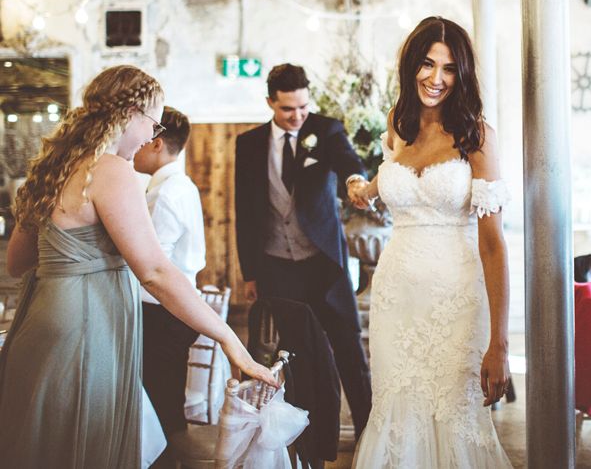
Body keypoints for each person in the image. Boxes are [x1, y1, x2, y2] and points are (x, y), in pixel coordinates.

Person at [0, 65, 274, 469]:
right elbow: (156, 272)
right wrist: (230, 339)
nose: (152, 136)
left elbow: (17, 262)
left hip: (40, 322)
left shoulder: (51, 168)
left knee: (46, 443)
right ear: (129, 112)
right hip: (88, 327)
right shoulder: (111, 171)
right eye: (153, 124)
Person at [348, 16, 513, 468]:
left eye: (448, 68)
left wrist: (499, 342)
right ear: (410, 66)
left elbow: (494, 245)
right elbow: (387, 185)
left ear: (462, 75)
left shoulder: (476, 136)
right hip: (396, 297)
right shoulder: (396, 127)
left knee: (454, 415)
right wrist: (360, 188)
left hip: (455, 302)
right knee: (396, 411)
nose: (435, 78)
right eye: (426, 64)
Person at [234, 63, 372, 441]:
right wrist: (250, 272)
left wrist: (357, 181)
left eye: (302, 108)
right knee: (295, 355)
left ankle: (367, 429)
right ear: (270, 103)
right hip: (277, 266)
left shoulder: (325, 130)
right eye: (287, 109)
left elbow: (349, 164)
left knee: (348, 349)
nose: (297, 117)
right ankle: (309, 436)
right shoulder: (247, 144)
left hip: (324, 264)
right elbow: (244, 210)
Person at [133, 106, 206, 460]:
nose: (133, 148)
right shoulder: (179, 185)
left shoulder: (164, 194)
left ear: (157, 143)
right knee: (165, 405)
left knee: (161, 412)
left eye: (140, 140)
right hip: (173, 309)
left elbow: (152, 268)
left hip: (162, 313)